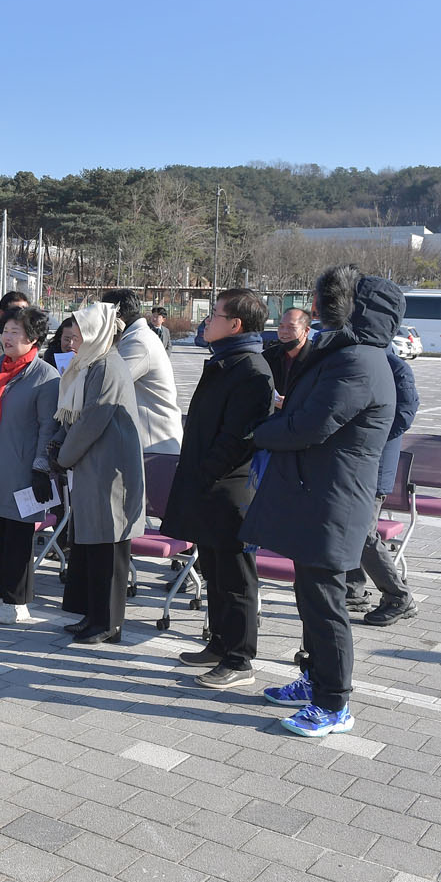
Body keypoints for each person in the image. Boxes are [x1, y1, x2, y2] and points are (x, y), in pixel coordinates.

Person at [242, 267, 398, 738]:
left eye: (321, 298)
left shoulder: (358, 362)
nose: (314, 305)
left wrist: (257, 432)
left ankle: (334, 703)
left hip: (335, 499)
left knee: (327, 605)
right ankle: (313, 679)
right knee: (311, 598)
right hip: (318, 494)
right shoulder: (346, 354)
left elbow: (311, 425)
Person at [158, 288, 275, 687]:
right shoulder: (226, 361)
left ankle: (240, 660)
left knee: (236, 578)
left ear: (235, 324)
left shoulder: (252, 369)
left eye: (215, 316)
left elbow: (238, 439)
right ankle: (220, 643)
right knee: (214, 571)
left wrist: (204, 473)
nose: (207, 322)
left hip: (230, 491)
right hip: (208, 486)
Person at [50, 303, 146, 646]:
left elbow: (91, 421)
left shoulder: (107, 367)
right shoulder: (91, 364)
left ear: (95, 335)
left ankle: (108, 623)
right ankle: (92, 615)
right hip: (92, 469)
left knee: (109, 548)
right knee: (91, 545)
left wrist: (63, 456)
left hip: (109, 473)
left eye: (78, 336)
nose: (71, 342)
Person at [0, 306, 60, 625]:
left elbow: (48, 428)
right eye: (6, 331)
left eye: (15, 332)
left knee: (17, 538)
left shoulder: (46, 377)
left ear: (33, 338)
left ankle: (16, 602)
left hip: (22, 470)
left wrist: (41, 468)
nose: (7, 337)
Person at [347, 335, 420, 626]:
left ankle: (398, 597)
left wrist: (369, 433)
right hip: (355, 463)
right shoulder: (359, 360)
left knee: (364, 532)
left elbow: (405, 414)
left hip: (375, 466)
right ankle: (353, 589)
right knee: (350, 528)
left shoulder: (395, 366)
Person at [99, 289, 181, 455]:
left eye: (103, 314)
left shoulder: (138, 342)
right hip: (148, 442)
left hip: (154, 444)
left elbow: (107, 382)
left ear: (117, 314)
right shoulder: (133, 337)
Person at [265, 307, 313, 402]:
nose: (284, 331)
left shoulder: (317, 358)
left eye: (291, 327)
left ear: (306, 331)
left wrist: (292, 403)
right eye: (281, 326)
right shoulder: (269, 356)